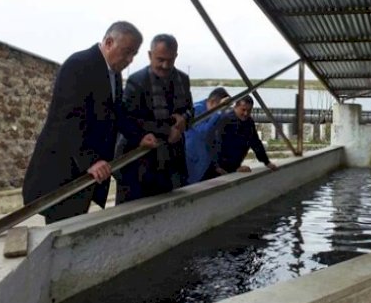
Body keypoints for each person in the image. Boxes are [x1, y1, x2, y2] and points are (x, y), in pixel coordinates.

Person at [22, 21, 157, 224]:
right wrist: (91, 160)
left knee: (76, 221)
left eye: (134, 54)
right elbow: (68, 118)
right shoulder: (78, 65)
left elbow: (116, 113)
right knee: (61, 227)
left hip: (86, 172)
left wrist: (139, 136)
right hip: (65, 169)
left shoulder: (113, 73)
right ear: (109, 42)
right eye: (127, 52)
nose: (129, 60)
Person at [115, 34, 194, 204]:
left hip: (171, 162)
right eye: (160, 60)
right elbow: (129, 119)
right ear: (150, 55)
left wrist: (184, 119)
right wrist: (167, 131)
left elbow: (190, 110)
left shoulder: (183, 80)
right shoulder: (136, 81)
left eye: (170, 60)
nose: (165, 65)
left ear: (176, 57)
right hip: (140, 164)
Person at [204, 95, 277, 180]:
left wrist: (266, 162)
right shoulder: (225, 120)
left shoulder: (249, 123)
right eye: (243, 110)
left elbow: (255, 143)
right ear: (236, 107)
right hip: (218, 168)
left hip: (233, 166)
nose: (246, 113)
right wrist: (217, 166)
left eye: (249, 111)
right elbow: (212, 143)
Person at [185, 87, 230, 184]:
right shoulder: (196, 110)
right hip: (191, 162)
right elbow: (204, 132)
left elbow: (216, 138)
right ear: (213, 102)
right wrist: (218, 111)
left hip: (206, 163)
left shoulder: (217, 114)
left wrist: (216, 164)